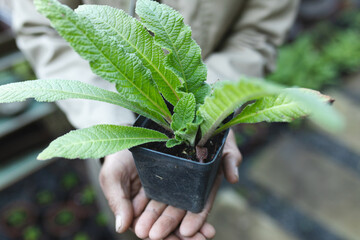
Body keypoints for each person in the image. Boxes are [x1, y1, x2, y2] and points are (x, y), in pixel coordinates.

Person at [10, 0, 298, 239]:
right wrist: (111, 128)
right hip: (104, 113)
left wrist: (212, 110)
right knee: (129, 216)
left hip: (206, 93)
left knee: (189, 226)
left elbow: (257, 33)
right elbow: (41, 27)